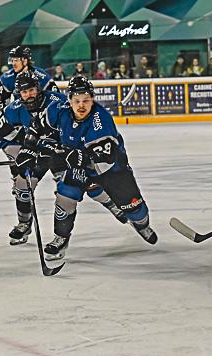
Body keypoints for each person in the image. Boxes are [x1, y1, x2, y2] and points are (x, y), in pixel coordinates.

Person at [27, 76, 157, 259]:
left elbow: (105, 158)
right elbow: (37, 127)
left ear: (93, 99)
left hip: (112, 169)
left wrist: (73, 155)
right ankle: (61, 238)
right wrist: (28, 148)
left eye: (86, 100)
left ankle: (141, 224)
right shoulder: (58, 109)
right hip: (79, 166)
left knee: (135, 209)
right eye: (77, 101)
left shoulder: (101, 121)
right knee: (65, 196)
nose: (81, 105)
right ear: (69, 100)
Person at [0, 72, 67, 245]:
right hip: (37, 151)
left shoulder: (57, 101)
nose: (29, 95)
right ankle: (24, 224)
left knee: (68, 192)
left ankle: (116, 207)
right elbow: (0, 134)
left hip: (63, 152)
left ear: (38, 88)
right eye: (24, 92)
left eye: (32, 90)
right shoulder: (15, 109)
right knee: (22, 186)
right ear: (18, 93)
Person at [0, 46, 55, 114]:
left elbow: (54, 97)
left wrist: (46, 114)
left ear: (25, 61)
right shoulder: (7, 78)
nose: (13, 64)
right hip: (21, 114)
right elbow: (0, 101)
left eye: (16, 60)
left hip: (41, 113)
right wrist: (8, 115)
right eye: (12, 60)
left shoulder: (41, 75)